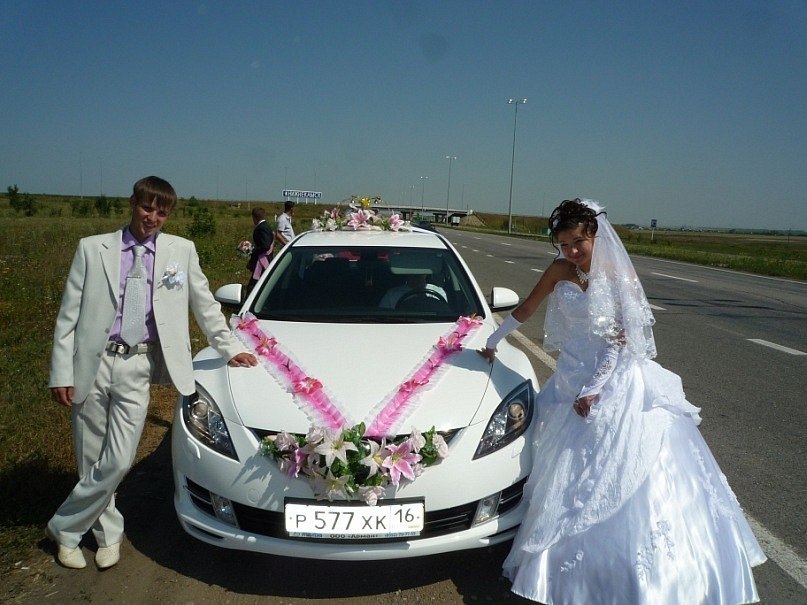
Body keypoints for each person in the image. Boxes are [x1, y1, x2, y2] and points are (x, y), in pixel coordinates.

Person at [480, 199, 764, 604]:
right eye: (563, 244)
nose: (571, 251)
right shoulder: (560, 269)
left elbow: (621, 339)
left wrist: (594, 388)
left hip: (615, 379)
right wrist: (492, 339)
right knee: (565, 470)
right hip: (571, 375)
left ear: (594, 234)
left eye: (578, 242)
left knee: (625, 466)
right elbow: (527, 307)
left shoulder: (616, 273)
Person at [46, 176, 258, 570]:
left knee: (119, 460)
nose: (153, 217)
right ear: (133, 203)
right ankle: (107, 534)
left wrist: (231, 348)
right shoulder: (93, 248)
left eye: (162, 212)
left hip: (138, 363)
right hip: (92, 363)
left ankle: (63, 527)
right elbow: (68, 316)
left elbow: (205, 306)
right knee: (90, 459)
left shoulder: (181, 251)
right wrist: (61, 371)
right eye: (147, 208)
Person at [246, 206, 274, 295]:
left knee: (254, 285)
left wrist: (252, 250)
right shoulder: (265, 226)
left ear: (255, 217)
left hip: (262, 261)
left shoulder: (262, 228)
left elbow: (265, 246)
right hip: (263, 260)